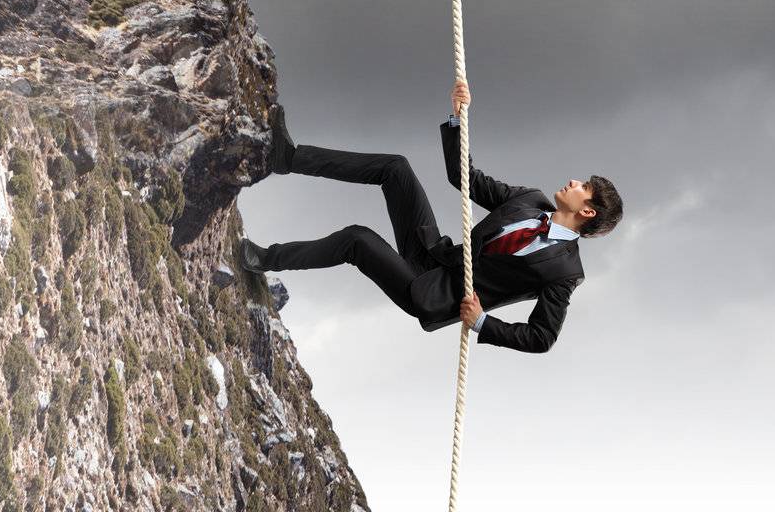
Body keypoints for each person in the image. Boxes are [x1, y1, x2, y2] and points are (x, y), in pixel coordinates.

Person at [239, 81, 622, 353]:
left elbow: (542, 338)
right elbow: (464, 178)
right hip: (434, 254)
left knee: (356, 239)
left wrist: (482, 323)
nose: (573, 181)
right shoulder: (530, 200)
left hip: (431, 294)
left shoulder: (566, 273)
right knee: (396, 169)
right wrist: (458, 121)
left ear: (587, 210)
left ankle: (263, 260)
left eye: (582, 185)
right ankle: (287, 158)